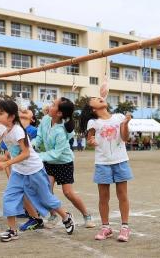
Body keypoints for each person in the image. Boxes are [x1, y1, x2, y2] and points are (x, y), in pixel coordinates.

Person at [0, 100, 75, 242]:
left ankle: (66, 217)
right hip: (19, 172)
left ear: (11, 116)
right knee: (9, 197)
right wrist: (2, 157)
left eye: (1, 114)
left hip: (34, 169)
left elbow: (26, 154)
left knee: (46, 198)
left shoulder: (18, 130)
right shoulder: (4, 130)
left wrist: (7, 163)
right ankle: (12, 230)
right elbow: (12, 151)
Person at [30, 98, 95, 230]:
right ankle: (53, 215)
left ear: (59, 113)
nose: (49, 106)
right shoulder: (46, 120)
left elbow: (56, 154)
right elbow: (39, 137)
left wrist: (36, 156)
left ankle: (86, 215)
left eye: (53, 105)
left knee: (68, 193)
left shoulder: (61, 131)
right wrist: (32, 146)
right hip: (49, 162)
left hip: (64, 163)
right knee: (46, 190)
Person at [80, 97, 133, 242]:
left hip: (120, 161)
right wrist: (91, 141)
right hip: (102, 163)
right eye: (95, 99)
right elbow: (89, 140)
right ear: (93, 108)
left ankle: (125, 227)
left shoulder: (119, 117)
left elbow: (125, 137)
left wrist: (126, 124)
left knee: (122, 194)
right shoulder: (93, 122)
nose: (100, 98)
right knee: (103, 197)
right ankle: (105, 227)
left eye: (100, 97)